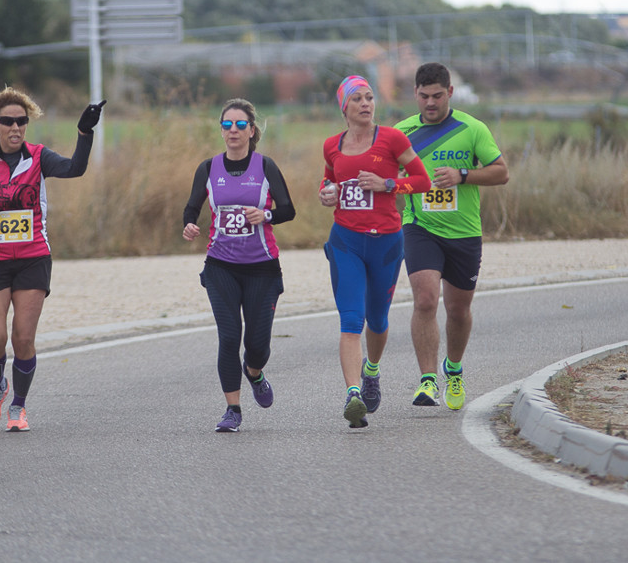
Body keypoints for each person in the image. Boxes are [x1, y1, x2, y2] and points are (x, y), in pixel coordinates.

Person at [0, 87, 105, 432]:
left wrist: (84, 132)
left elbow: (75, 168)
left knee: (23, 339)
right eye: (7, 122)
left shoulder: (39, 156)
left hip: (33, 257)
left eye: (21, 121)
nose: (15, 128)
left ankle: (18, 406)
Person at [395, 62, 509, 411]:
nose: (431, 103)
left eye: (437, 96)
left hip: (464, 232)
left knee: (458, 310)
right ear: (415, 94)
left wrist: (463, 175)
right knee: (425, 300)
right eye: (424, 96)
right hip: (420, 226)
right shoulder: (401, 133)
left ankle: (454, 369)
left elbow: (501, 173)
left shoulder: (472, 129)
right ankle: (427, 380)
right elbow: (385, 178)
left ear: (450, 93)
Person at [319, 75, 431, 428]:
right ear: (344, 108)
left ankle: (371, 371)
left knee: (378, 320)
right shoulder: (332, 145)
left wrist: (388, 184)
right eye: (357, 99)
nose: (366, 104)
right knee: (351, 319)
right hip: (346, 241)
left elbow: (423, 181)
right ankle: (353, 395)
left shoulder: (392, 139)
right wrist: (327, 192)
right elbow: (329, 179)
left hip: (385, 243)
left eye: (369, 97)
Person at [182, 98, 296, 433]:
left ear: (251, 130)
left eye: (240, 124)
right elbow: (191, 207)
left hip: (262, 268)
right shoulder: (208, 168)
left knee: (257, 347)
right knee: (230, 337)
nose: (233, 130)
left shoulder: (265, 167)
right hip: (221, 266)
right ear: (221, 130)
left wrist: (266, 214)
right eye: (227, 124)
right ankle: (232, 409)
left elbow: (288, 210)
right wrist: (189, 224)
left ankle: (255, 373)